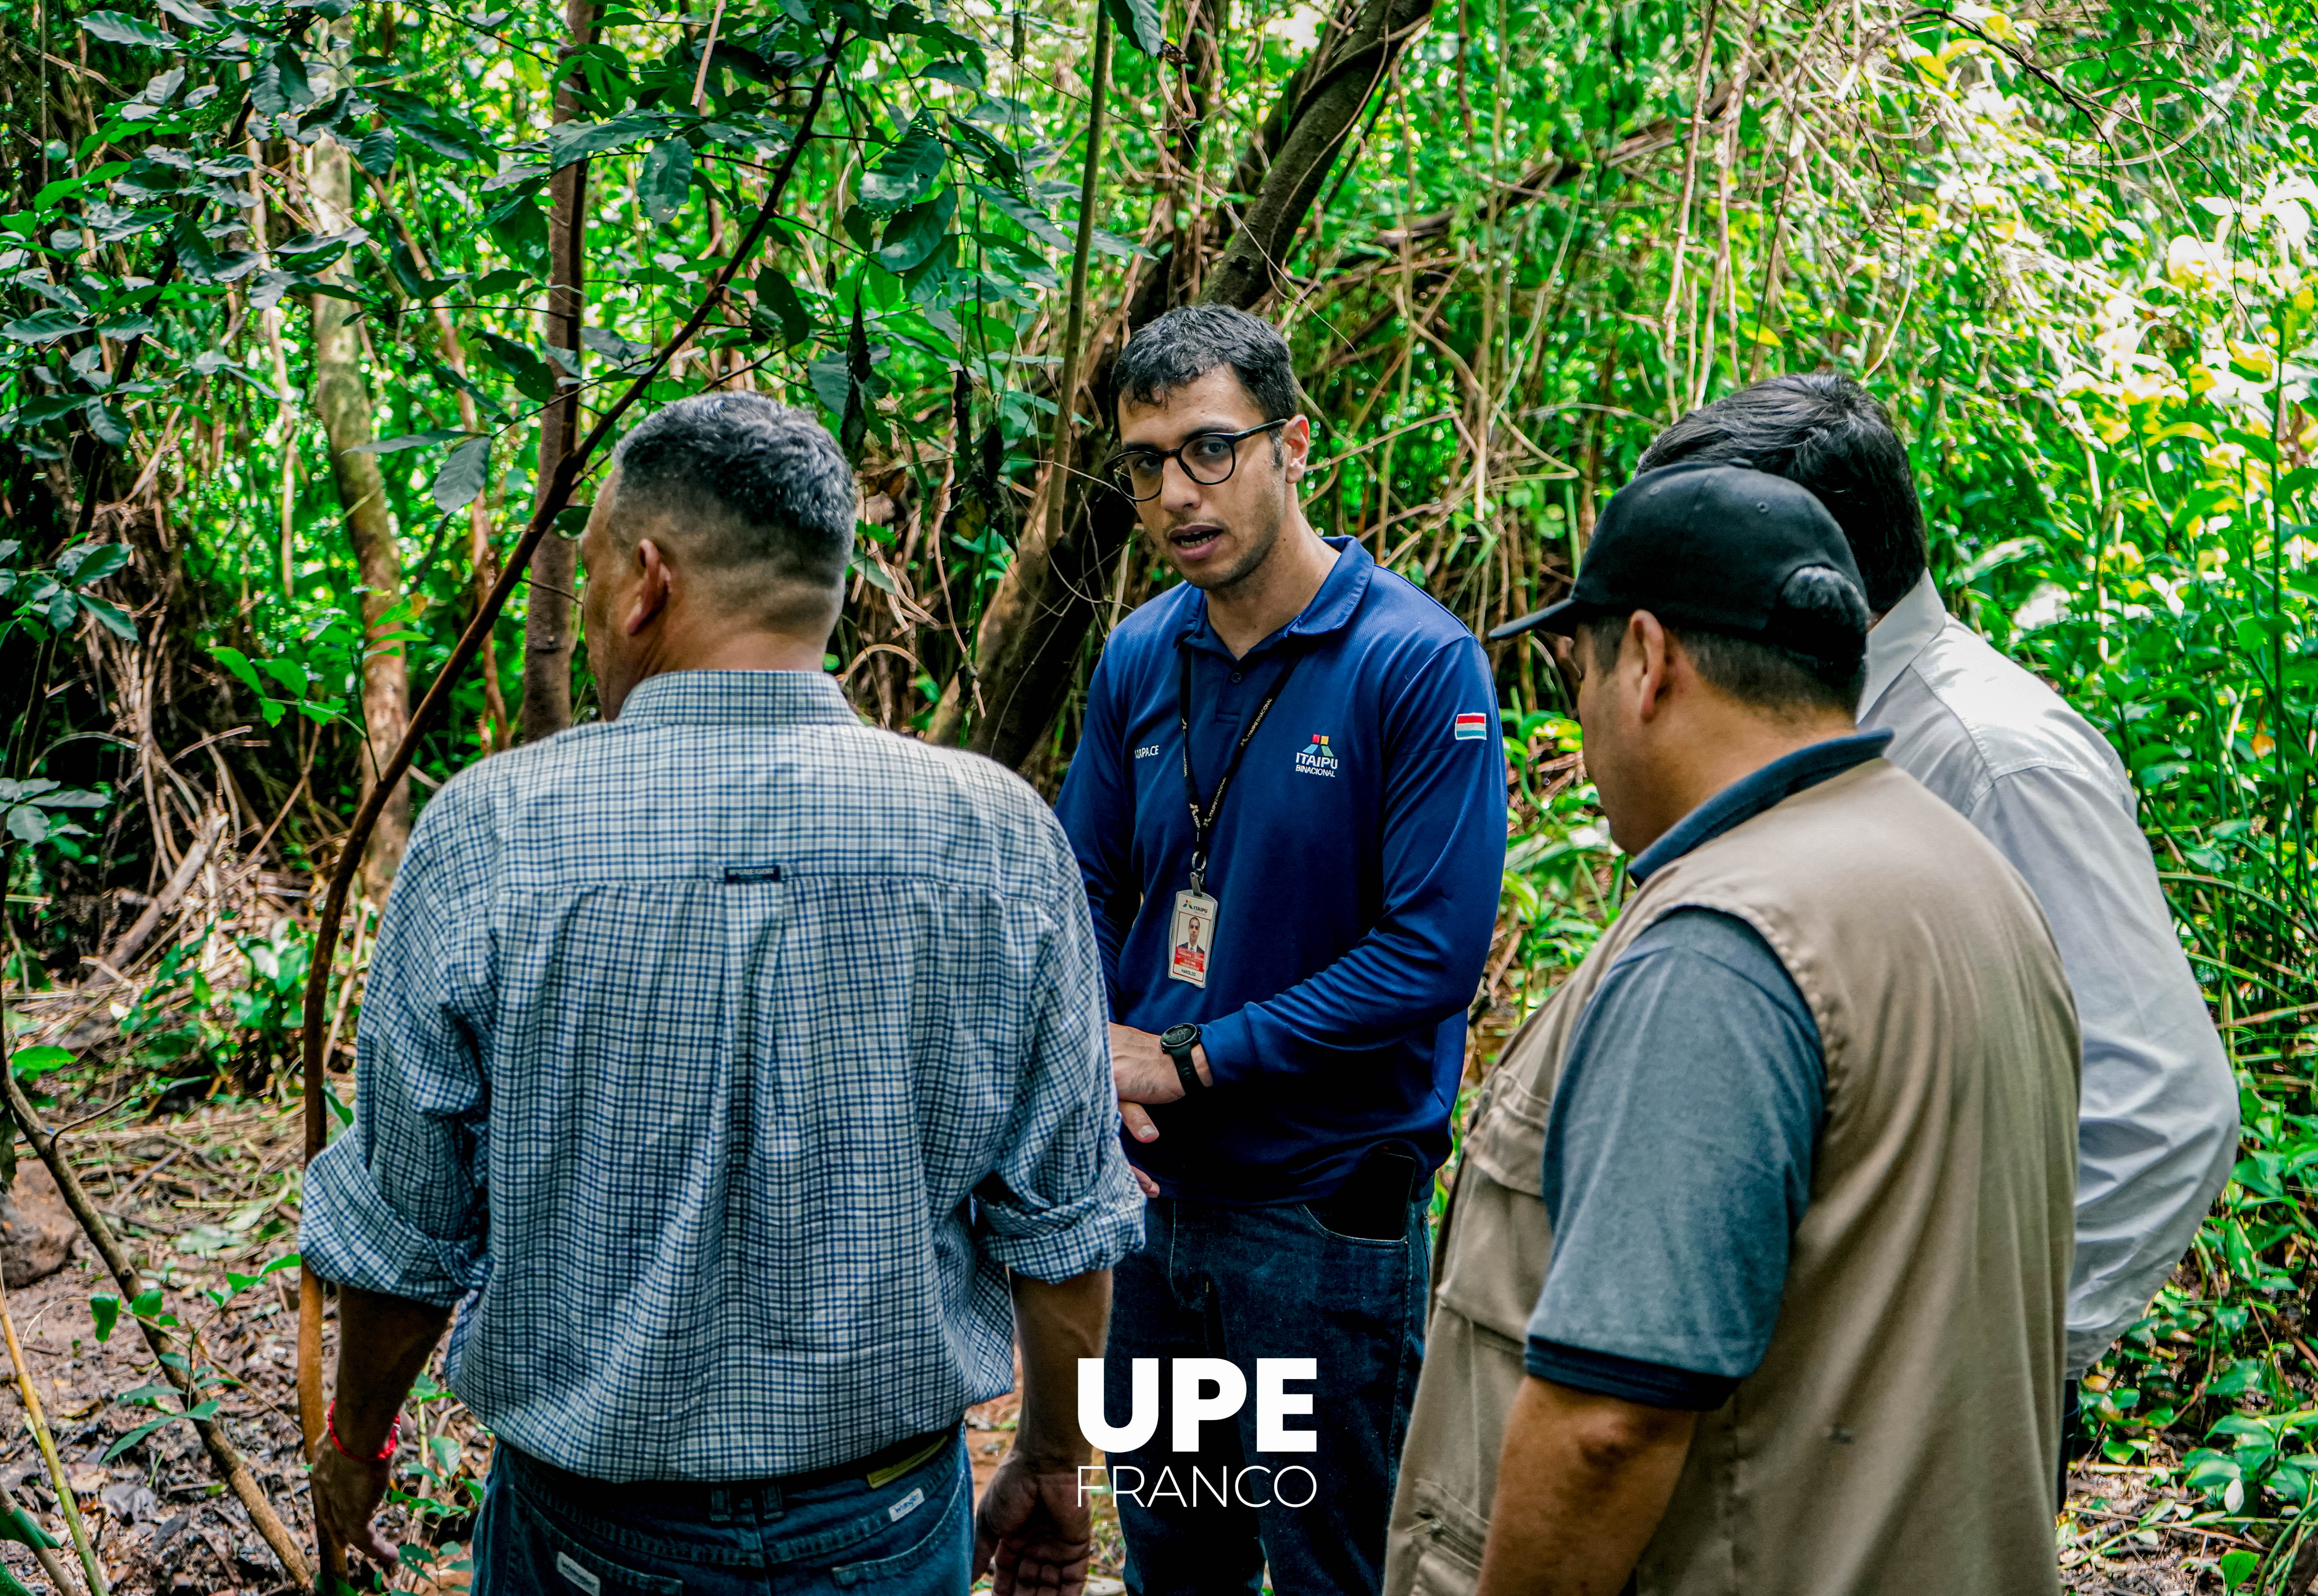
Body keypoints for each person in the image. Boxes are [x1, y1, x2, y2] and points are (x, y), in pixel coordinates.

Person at [300, 393, 1143, 1596]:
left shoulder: (490, 833)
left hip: (591, 1539)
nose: (590, 615)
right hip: (886, 1525)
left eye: (591, 577)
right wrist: (1055, 1474)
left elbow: (406, 1237)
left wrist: (358, 1448)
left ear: (648, 579)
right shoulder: (1000, 835)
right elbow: (1064, 1231)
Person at [1387, 462, 2080, 1594]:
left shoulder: (1721, 947)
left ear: (1649, 661)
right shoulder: (1966, 874)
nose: (1577, 717)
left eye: (1578, 671)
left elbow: (1611, 1425)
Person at [1633, 374, 2239, 1444]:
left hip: (1926, 1417)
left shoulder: (1991, 759)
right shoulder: (1799, 725)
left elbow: (2165, 1106)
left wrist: (1984, 1357)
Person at [1053, 305, 1508, 1594]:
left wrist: (1186, 1061)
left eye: (1210, 451)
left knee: (1330, 1573)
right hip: (1155, 1227)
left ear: (1290, 445)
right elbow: (1081, 879)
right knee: (1176, 1561)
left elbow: (1429, 957)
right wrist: (1096, 1052)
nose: (1175, 493)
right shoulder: (1144, 654)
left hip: (1316, 1228)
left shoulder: (1414, 664)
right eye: (1144, 463)